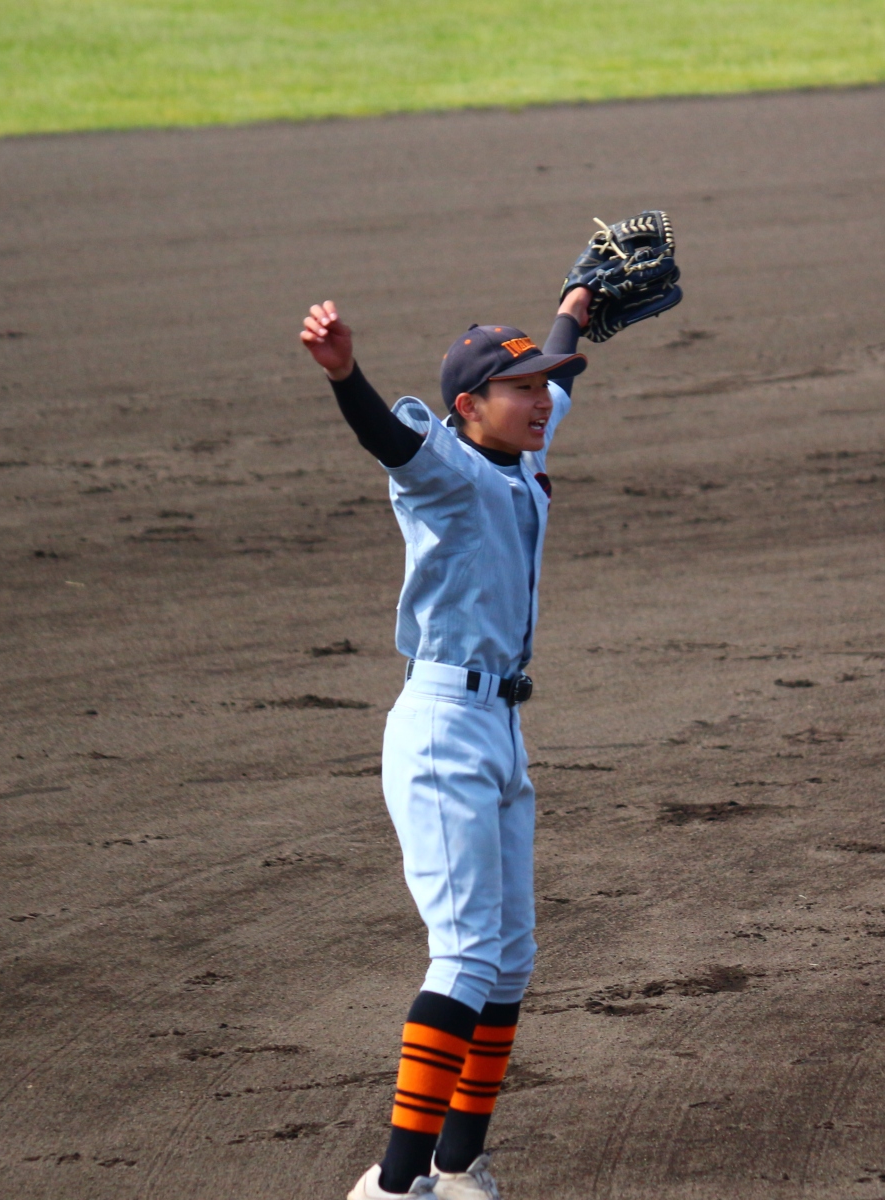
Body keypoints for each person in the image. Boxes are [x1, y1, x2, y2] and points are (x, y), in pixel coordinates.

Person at [298, 285, 593, 1200]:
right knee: (464, 954)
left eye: (543, 387)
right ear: (468, 405)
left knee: (510, 958)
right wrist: (346, 374)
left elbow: (556, 389)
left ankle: (458, 1167)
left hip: (500, 728)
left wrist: (574, 311)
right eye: (521, 389)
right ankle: (393, 1187)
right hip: (441, 731)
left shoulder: (518, 453)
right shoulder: (445, 470)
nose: (541, 400)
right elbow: (387, 439)